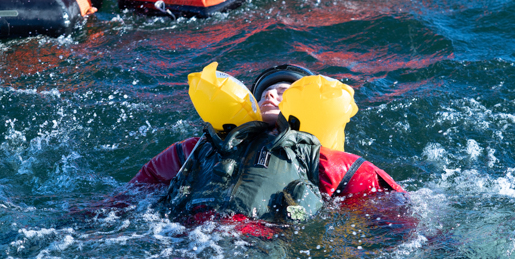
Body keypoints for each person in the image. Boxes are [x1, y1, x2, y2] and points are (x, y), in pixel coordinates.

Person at [131, 64, 404, 227]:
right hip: (181, 239)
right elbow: (136, 190)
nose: (271, 94)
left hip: (260, 245)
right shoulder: (196, 149)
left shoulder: (322, 161)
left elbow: (395, 205)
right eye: (264, 94)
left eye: (284, 92)